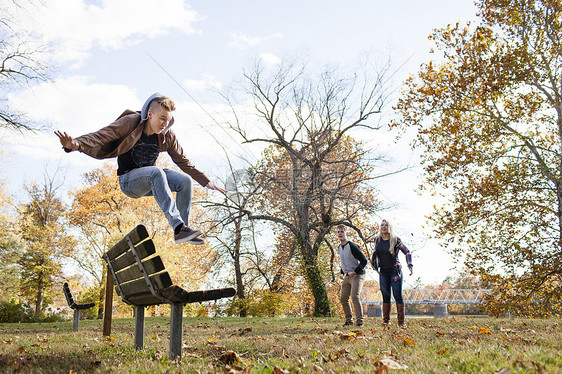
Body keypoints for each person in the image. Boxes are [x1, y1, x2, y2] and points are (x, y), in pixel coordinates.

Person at [55, 93, 226, 245]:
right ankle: (178, 227)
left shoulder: (167, 135)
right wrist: (75, 144)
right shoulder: (130, 123)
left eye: (168, 121)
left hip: (151, 180)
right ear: (150, 114)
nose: (164, 124)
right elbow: (102, 135)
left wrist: (206, 181)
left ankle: (183, 230)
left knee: (184, 181)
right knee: (156, 172)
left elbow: (182, 161)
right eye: (161, 119)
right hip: (129, 182)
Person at [371, 219, 413, 327]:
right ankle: (386, 321)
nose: (383, 227)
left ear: (389, 227)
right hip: (383, 272)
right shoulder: (377, 240)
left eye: (386, 225)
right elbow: (375, 254)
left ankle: (401, 322)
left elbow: (407, 251)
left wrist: (410, 266)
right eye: (382, 225)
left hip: (395, 272)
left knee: (397, 295)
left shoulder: (395, 239)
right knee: (385, 296)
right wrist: (375, 265)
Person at [336, 224, 368, 327]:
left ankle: (360, 322)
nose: (340, 234)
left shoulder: (352, 246)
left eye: (342, 231)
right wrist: (341, 272)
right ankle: (349, 321)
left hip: (358, 274)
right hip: (348, 276)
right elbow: (344, 262)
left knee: (355, 296)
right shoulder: (339, 247)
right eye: (338, 232)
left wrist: (355, 271)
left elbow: (364, 260)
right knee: (343, 298)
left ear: (346, 233)